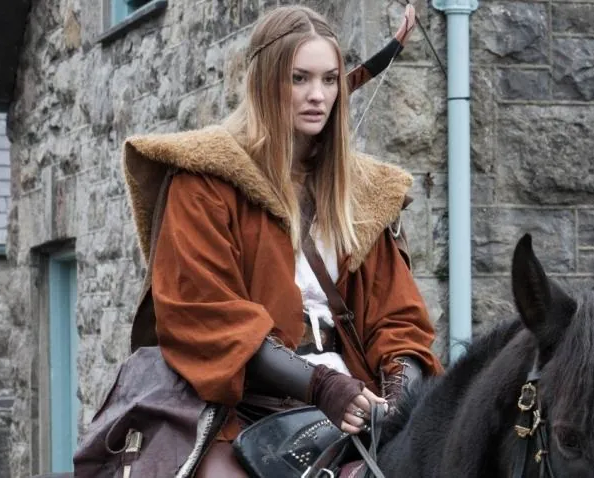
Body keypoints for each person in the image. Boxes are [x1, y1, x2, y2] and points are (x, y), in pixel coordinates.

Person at [122, 4, 442, 476]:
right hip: (242, 407)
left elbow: (399, 320)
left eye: (329, 80)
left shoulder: (364, 192)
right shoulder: (203, 181)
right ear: (265, 82)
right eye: (299, 79)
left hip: (354, 403)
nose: (317, 95)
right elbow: (206, 313)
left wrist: (397, 400)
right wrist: (321, 385)